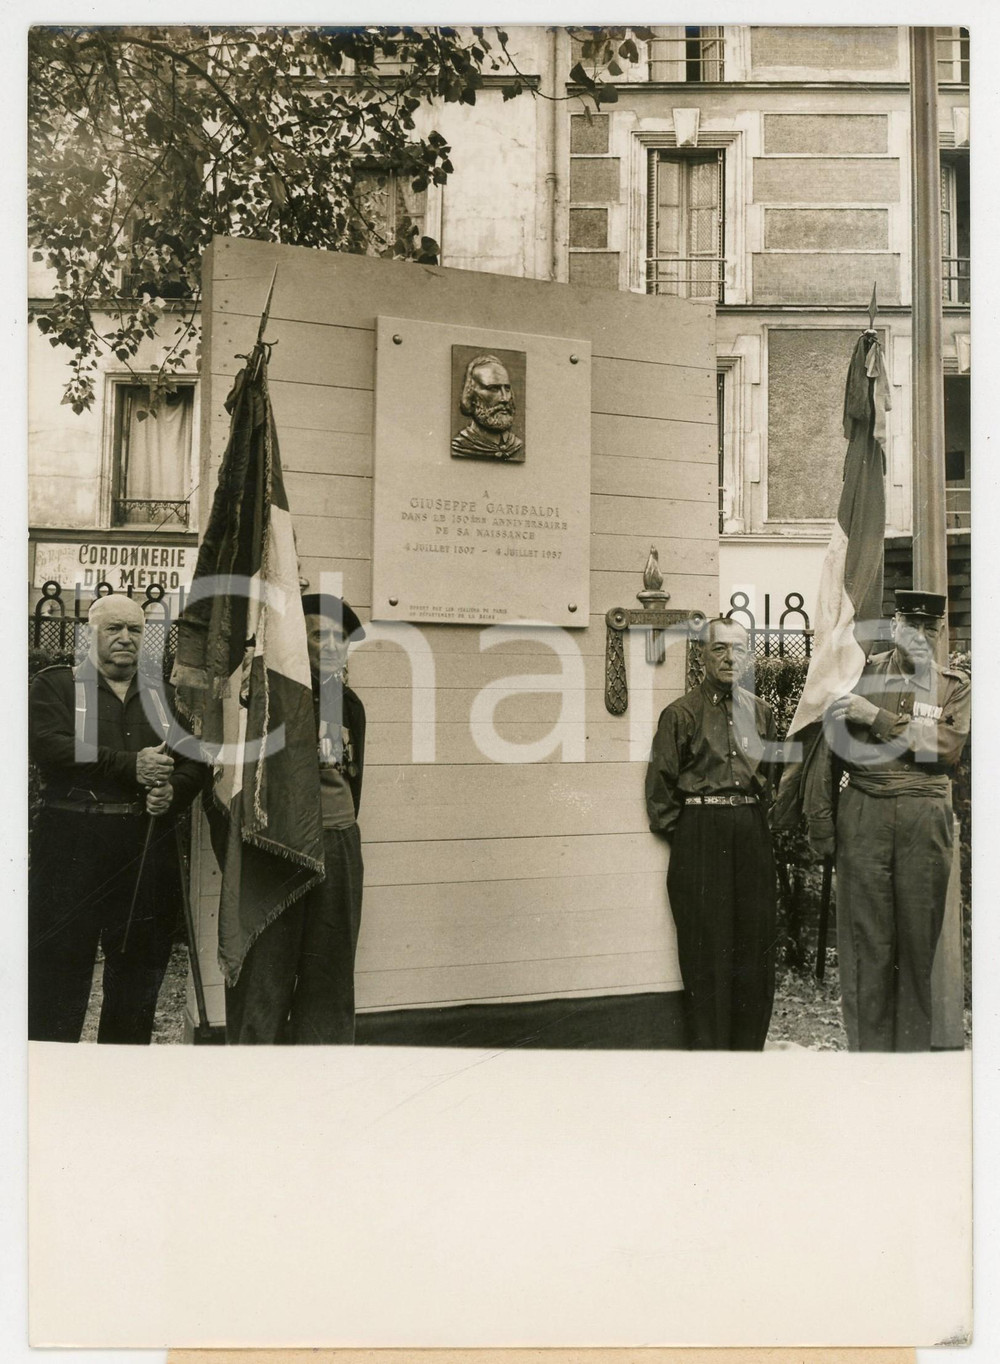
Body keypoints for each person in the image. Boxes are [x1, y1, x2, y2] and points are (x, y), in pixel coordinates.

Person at [29, 593, 205, 1043]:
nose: (126, 638)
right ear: (90, 633)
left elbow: (195, 762)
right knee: (57, 974)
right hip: (71, 844)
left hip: (144, 845)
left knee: (137, 976)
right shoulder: (56, 686)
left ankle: (120, 1087)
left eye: (135, 630)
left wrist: (173, 790)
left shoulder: (163, 696)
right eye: (114, 629)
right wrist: (128, 765)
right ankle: (53, 1086)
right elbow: (48, 743)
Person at [804, 589, 971, 1051]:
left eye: (929, 629)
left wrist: (876, 718)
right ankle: (868, 1063)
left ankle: (909, 1070)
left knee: (917, 949)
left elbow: (946, 747)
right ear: (894, 626)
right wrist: (821, 825)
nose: (919, 636)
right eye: (910, 626)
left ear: (939, 634)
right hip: (865, 817)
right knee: (867, 948)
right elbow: (827, 751)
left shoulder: (955, 686)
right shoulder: (859, 675)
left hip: (924, 821)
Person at [224, 594, 367, 1044]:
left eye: (339, 638)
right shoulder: (269, 699)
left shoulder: (349, 705)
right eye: (318, 635)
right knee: (268, 967)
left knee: (330, 968)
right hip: (279, 846)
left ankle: (321, 1071)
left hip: (337, 841)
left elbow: (352, 779)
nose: (330, 646)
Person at [645, 618, 779, 1050]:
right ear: (701, 655)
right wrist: (693, 837)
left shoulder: (761, 712)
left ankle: (747, 1052)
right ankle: (710, 1052)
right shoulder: (680, 714)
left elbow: (770, 778)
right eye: (719, 649)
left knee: (754, 940)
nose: (730, 658)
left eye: (738, 649)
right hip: (700, 835)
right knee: (707, 945)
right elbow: (661, 794)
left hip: (751, 832)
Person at [451, 353, 525, 461]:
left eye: (507, 389)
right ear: (471, 394)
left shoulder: (517, 446)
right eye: (493, 389)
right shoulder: (459, 446)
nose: (505, 399)